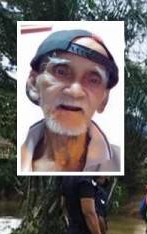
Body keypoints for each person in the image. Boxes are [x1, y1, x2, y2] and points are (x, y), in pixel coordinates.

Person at [21, 29, 120, 173]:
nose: (75, 92)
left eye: (93, 80)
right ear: (34, 84)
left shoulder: (118, 162)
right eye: (61, 72)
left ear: (104, 99)